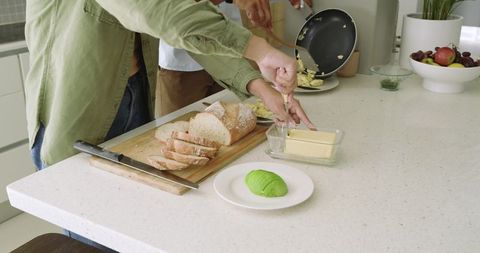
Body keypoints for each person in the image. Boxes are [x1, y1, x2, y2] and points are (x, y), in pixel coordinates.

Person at [23, 0, 305, 250]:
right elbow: (152, 8)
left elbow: (186, 25)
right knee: (94, 240)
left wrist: (256, 84)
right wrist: (257, 48)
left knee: (135, 231)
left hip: (135, 98)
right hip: (75, 119)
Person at [156, 0, 315, 123]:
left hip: (232, 52)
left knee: (226, 127)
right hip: (182, 63)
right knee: (179, 129)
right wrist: (261, 53)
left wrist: (263, 87)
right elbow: (186, 19)